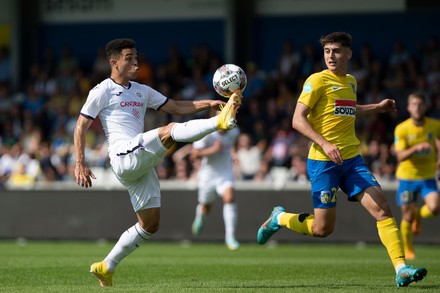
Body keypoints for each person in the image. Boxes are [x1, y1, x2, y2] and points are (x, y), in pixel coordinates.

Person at [256, 32, 427, 288]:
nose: (331, 56)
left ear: (348, 53)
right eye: (327, 51)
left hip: (351, 160)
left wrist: (375, 108)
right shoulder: (317, 80)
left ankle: (401, 269)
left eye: (336, 51)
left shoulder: (351, 82)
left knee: (383, 210)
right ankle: (280, 218)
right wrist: (324, 143)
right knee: (323, 230)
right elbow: (297, 120)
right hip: (323, 162)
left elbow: (347, 107)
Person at [74, 38, 242, 287]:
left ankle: (106, 266)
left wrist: (209, 103)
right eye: (129, 58)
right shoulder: (101, 91)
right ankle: (219, 123)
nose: (135, 62)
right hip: (123, 155)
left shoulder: (142, 90)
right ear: (114, 62)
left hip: (139, 164)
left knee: (150, 224)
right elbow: (81, 126)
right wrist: (80, 162)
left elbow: (176, 106)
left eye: (136, 57)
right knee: (170, 131)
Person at [394, 92, 440, 260]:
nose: (417, 107)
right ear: (408, 107)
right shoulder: (402, 128)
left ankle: (419, 215)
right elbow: (400, 156)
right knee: (407, 216)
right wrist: (416, 148)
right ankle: (408, 248)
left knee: (435, 208)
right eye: (414, 104)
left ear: (425, 106)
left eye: (420, 104)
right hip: (407, 177)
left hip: (427, 176)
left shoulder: (435, 125)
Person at [190, 125, 240, 250]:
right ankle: (200, 216)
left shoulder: (235, 131)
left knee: (229, 198)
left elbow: (233, 145)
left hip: (225, 173)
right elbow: (194, 155)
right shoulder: (206, 133)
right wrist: (212, 150)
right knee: (206, 207)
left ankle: (230, 237)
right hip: (208, 175)